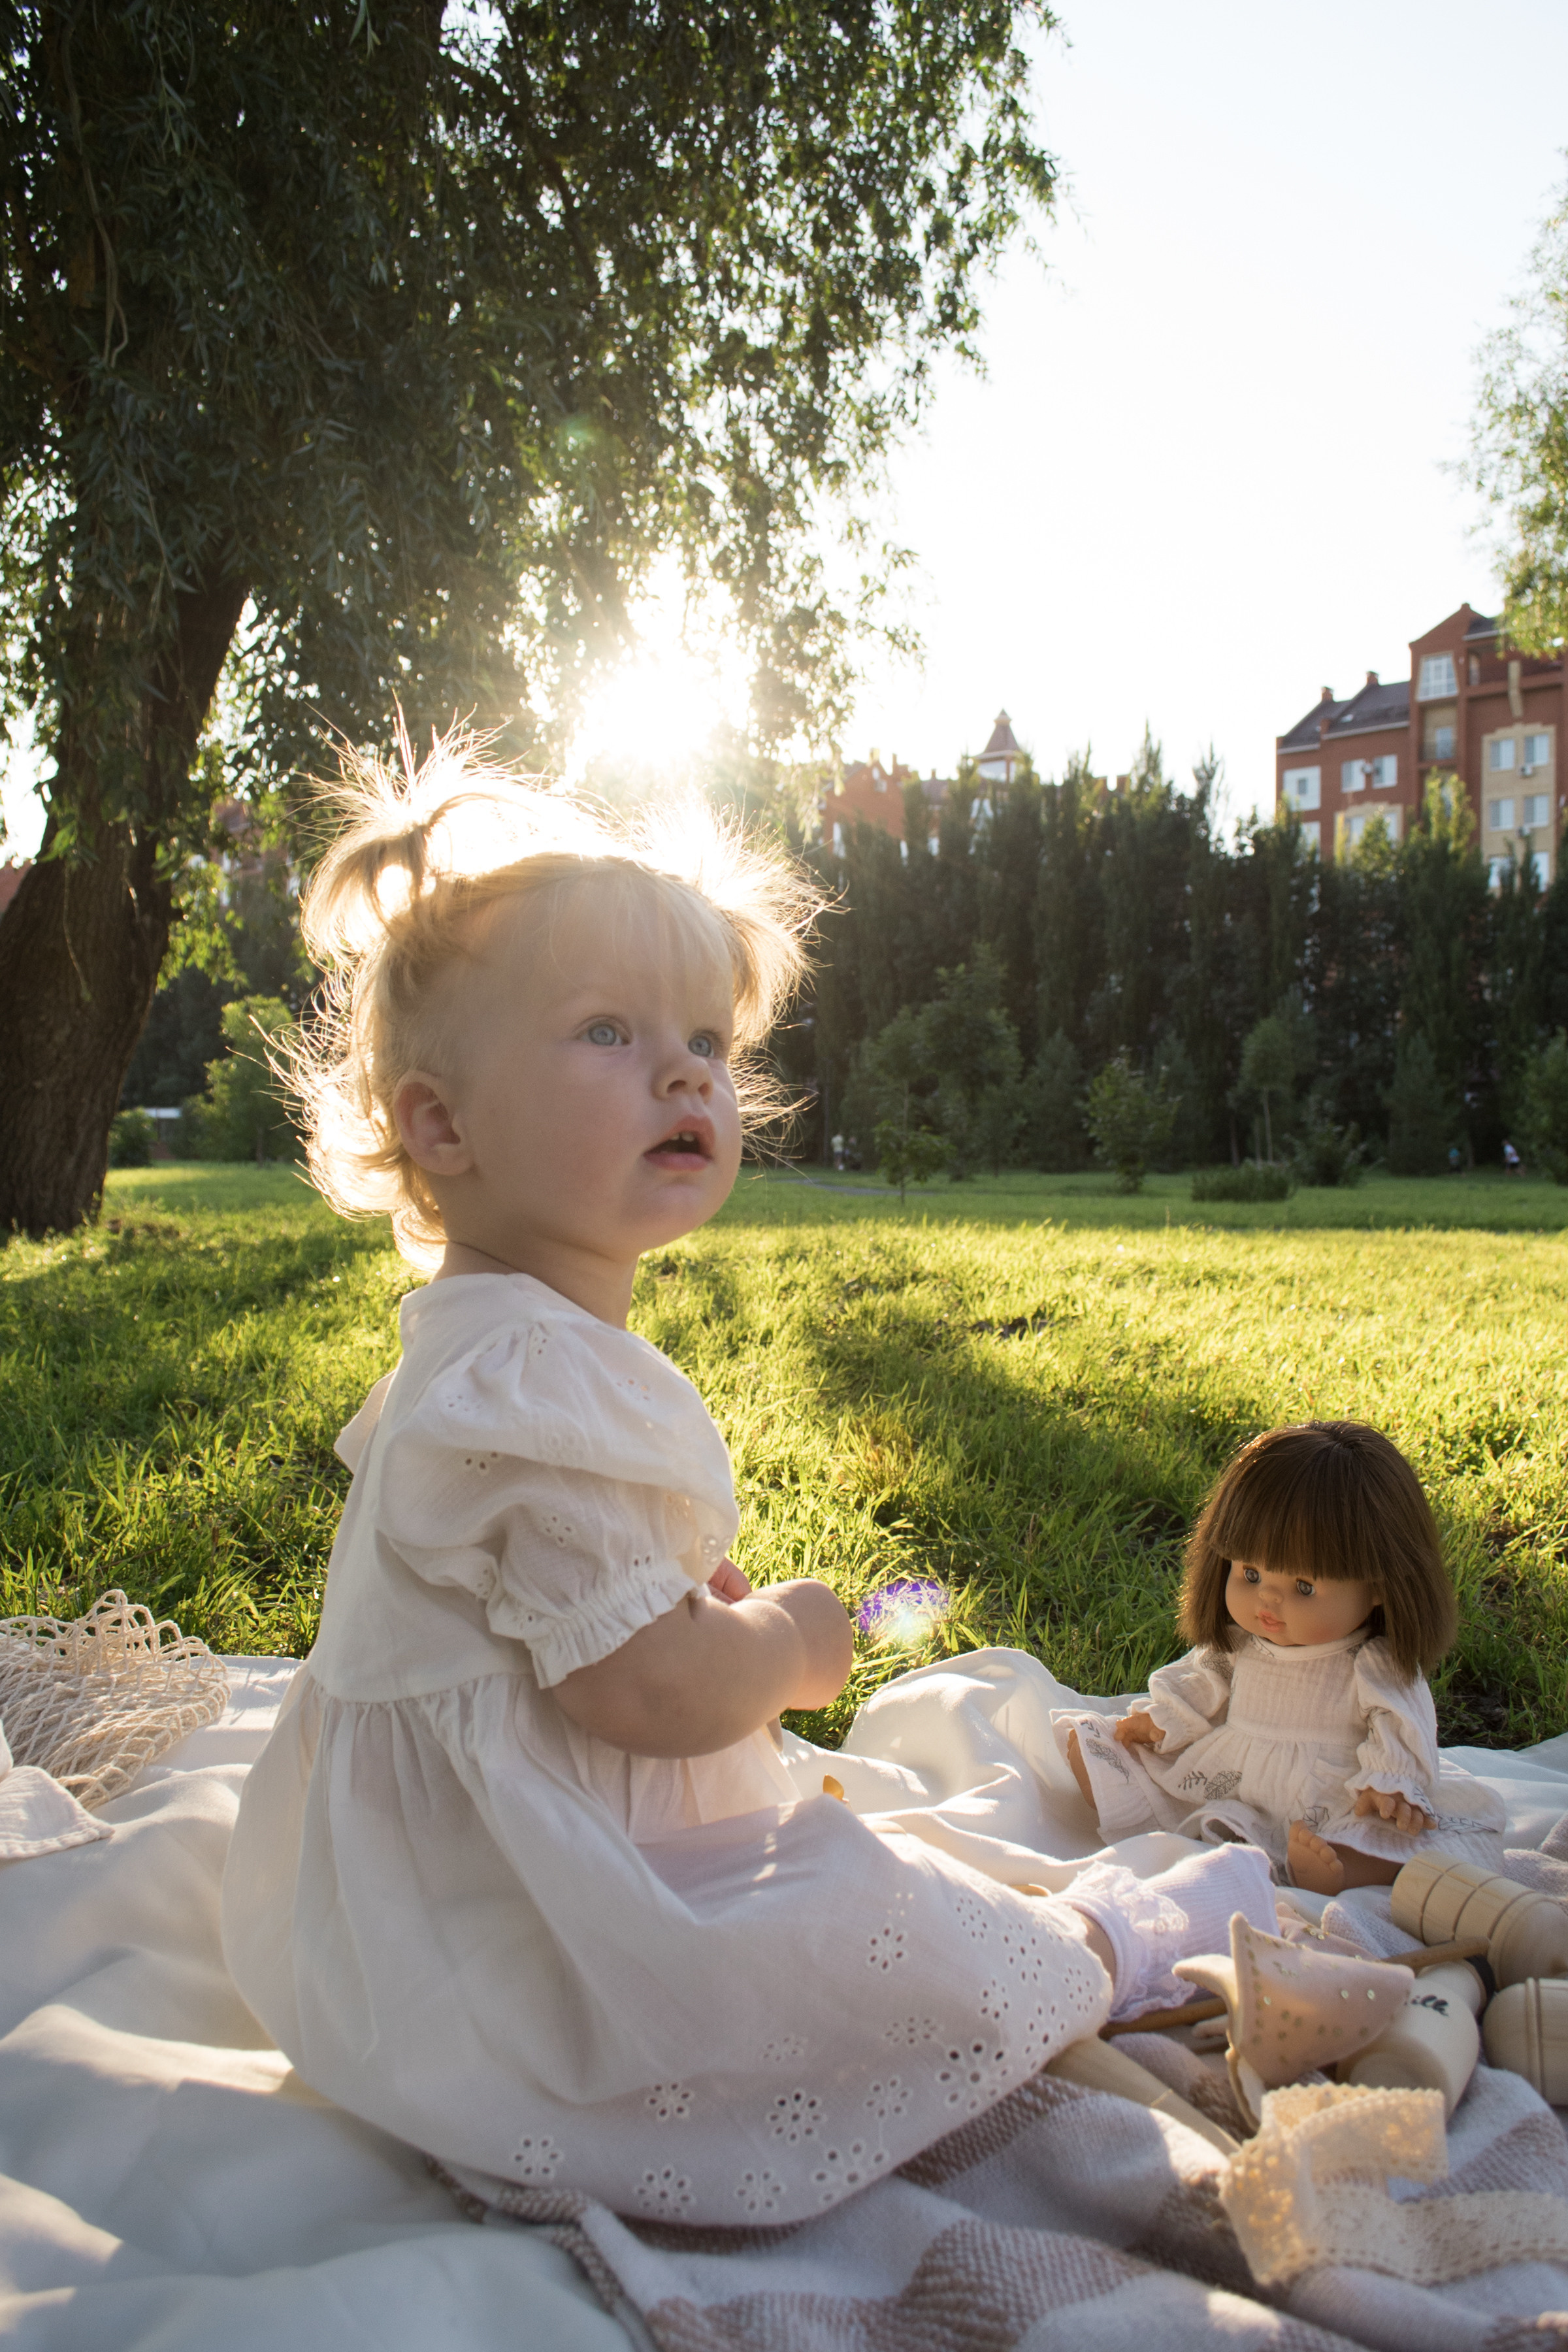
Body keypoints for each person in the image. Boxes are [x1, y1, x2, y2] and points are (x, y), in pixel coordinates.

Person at [221, 730, 1280, 2225]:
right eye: (605, 1030)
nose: (682, 1072)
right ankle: (1133, 2007)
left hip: (428, 1922)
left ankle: (1093, 1972)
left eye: (707, 1042)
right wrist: (775, 1648)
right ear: (438, 1124)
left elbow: (557, 1616)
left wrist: (658, 1612)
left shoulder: (490, 1346)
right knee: (874, 1941)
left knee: (872, 1906)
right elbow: (640, 1695)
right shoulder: (528, 1384)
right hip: (520, 1954)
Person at [1056, 1422, 1506, 1895]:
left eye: (1304, 1587)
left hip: (1329, 1795)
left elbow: (1399, 1721)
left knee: (1389, 1835)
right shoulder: (1241, 1644)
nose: (1268, 1600)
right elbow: (1201, 1681)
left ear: (1378, 1586)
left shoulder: (1372, 1663)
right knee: (1103, 1750)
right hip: (1237, 1778)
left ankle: (1348, 1869)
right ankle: (1217, 1831)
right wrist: (1165, 1721)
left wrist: (1388, 1783)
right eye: (1250, 1573)